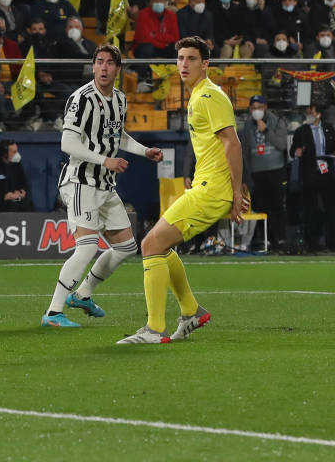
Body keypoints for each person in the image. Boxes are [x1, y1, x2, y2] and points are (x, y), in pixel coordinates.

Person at [119, 36, 249, 344]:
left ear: (206, 64)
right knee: (159, 245)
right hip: (207, 185)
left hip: (213, 190)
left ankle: (154, 329)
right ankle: (191, 312)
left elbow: (233, 143)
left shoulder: (208, 97)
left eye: (191, 59)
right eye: (180, 59)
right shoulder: (197, 96)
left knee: (150, 244)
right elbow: (215, 146)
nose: (184, 64)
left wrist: (236, 192)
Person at [42, 45, 163, 328]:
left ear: (118, 69)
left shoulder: (119, 99)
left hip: (105, 185)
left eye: (110, 63)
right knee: (86, 247)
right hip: (81, 182)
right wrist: (105, 160)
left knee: (126, 247)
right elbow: (67, 143)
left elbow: (116, 135)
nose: (104, 67)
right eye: (99, 62)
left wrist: (144, 151)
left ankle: (83, 294)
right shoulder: (81, 98)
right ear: (93, 66)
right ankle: (53, 313)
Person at [239, 95, 288, 252]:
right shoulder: (247, 125)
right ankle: (264, 240)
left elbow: (281, 145)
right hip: (257, 173)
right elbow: (245, 152)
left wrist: (265, 130)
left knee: (277, 207)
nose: (256, 110)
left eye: (259, 107)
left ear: (266, 107)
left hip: (276, 170)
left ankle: (280, 240)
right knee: (260, 207)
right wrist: (244, 176)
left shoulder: (277, 121)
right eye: (253, 108)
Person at [291, 103, 335, 253]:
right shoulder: (301, 131)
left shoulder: (328, 128)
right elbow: (292, 151)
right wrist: (297, 152)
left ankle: (331, 242)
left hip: (327, 172)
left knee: (330, 207)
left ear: (319, 114)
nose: (308, 113)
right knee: (311, 208)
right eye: (307, 110)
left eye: (312, 111)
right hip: (309, 173)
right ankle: (312, 242)